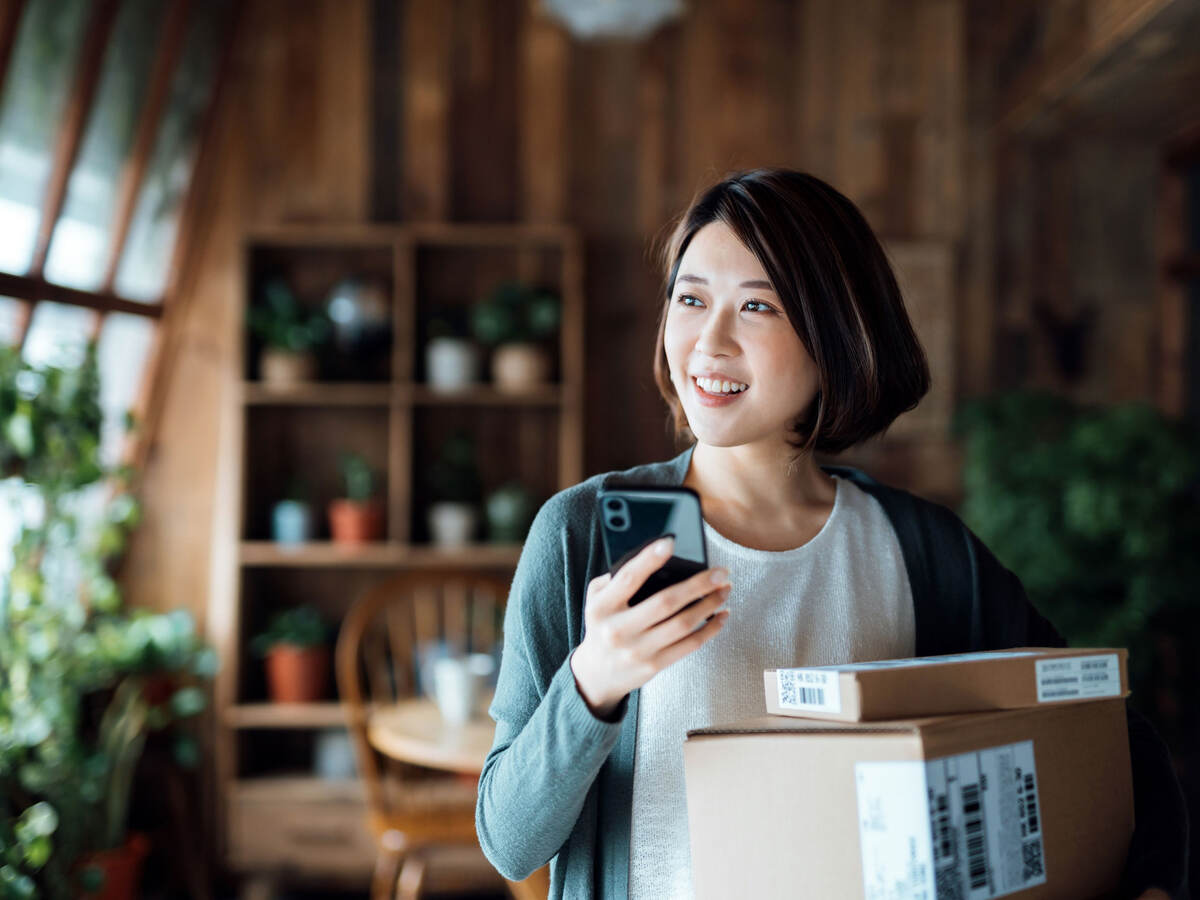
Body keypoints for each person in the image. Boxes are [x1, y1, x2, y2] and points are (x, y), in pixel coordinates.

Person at [475, 169, 1188, 899]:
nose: (709, 341)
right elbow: (508, 841)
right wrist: (594, 683)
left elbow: (1104, 732)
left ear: (837, 336)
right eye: (690, 299)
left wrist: (1153, 883)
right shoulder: (582, 536)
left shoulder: (924, 552)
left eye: (757, 306)